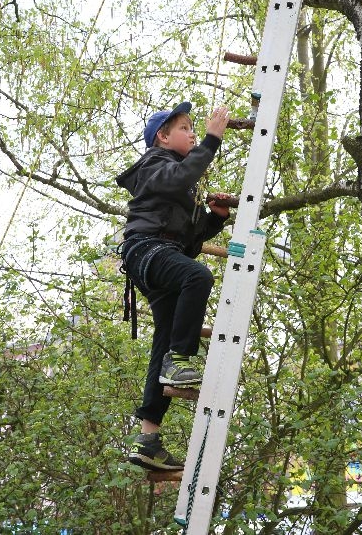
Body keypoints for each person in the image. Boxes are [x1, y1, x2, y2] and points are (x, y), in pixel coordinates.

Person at [116, 101, 230, 472]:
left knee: (164, 337)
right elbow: (181, 177)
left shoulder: (178, 186)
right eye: (185, 129)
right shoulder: (153, 166)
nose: (193, 133)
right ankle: (180, 361)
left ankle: (148, 437)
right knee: (197, 276)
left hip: (159, 254)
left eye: (196, 129)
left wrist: (214, 217)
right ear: (162, 138)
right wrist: (212, 140)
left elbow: (192, 240)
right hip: (146, 249)